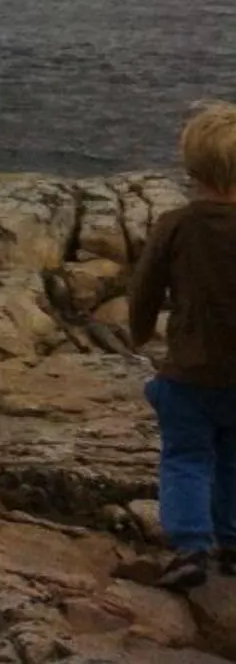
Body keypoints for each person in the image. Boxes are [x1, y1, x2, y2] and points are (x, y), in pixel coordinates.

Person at [128, 103, 236, 592]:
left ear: (192, 168)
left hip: (189, 374)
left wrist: (138, 330)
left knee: (186, 457)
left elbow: (145, 286)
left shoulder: (175, 224)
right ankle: (232, 543)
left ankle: (191, 546)